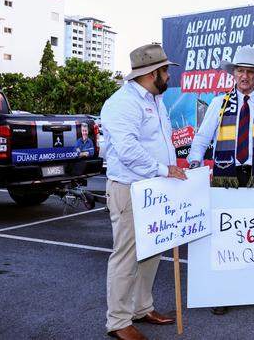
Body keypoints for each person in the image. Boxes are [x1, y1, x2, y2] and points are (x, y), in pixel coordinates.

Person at [187, 45, 254, 314]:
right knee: (226, 238)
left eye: (250, 72)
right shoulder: (219, 103)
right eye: (240, 71)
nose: (244, 76)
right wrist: (195, 163)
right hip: (226, 176)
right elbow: (202, 138)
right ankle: (224, 293)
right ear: (234, 74)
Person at [101, 43, 187, 340]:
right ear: (152, 73)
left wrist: (168, 171)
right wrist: (166, 170)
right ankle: (119, 321)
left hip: (153, 188)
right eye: (165, 70)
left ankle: (142, 307)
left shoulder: (154, 99)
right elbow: (127, 151)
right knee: (126, 255)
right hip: (129, 188)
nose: (168, 75)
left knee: (151, 251)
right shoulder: (122, 103)